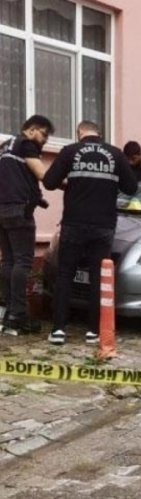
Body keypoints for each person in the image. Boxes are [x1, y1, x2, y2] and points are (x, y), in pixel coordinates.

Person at [42, 121, 138, 345]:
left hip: (74, 223)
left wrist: (72, 184)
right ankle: (93, 331)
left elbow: (49, 182)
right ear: (99, 133)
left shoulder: (70, 151)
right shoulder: (115, 154)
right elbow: (131, 188)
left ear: (79, 133)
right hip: (103, 225)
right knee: (97, 277)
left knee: (65, 275)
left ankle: (59, 330)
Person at [0, 115, 55, 336]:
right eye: (44, 135)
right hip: (19, 211)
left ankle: (7, 312)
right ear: (32, 130)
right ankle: (19, 315)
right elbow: (42, 174)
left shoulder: (6, 147)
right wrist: (66, 183)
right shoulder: (26, 144)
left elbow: (14, 178)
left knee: (8, 261)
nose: (44, 141)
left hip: (2, 209)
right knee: (23, 262)